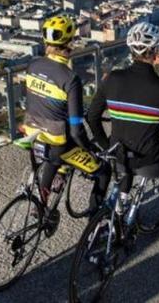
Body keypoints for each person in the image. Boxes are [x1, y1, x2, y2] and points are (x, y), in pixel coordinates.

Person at [87, 21, 159, 264]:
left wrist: (106, 145)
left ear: (131, 50)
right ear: (155, 52)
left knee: (122, 181)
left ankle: (114, 220)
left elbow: (92, 117)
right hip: (150, 160)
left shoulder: (112, 79)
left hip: (118, 154)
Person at [23, 14, 110, 212]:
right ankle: (94, 223)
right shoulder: (70, 79)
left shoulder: (33, 65)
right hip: (57, 141)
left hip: (34, 133)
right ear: (70, 43)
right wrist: (90, 148)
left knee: (55, 157)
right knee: (104, 170)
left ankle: (41, 208)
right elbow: (76, 131)